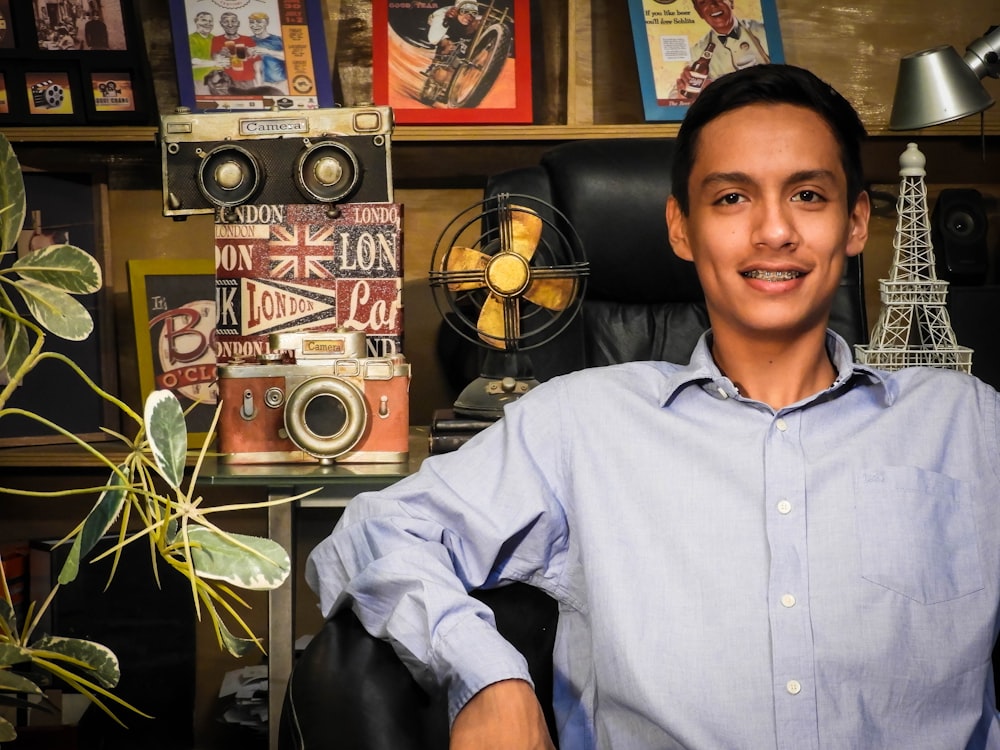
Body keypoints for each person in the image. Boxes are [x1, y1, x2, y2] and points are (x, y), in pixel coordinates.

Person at [305, 64, 1000, 749]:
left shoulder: (965, 423)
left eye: (808, 195)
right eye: (731, 199)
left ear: (854, 223)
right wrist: (487, 679)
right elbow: (375, 533)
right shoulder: (581, 424)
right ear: (681, 228)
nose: (774, 232)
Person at [672, 0, 770, 99]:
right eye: (703, 2)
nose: (713, 4)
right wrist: (684, 91)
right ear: (699, 12)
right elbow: (673, 97)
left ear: (731, 2)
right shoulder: (697, 52)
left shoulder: (764, 31)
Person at [210, 11, 255, 85]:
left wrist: (250, 53)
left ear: (238, 23)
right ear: (221, 23)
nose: (230, 25)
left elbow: (255, 59)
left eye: (233, 21)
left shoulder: (247, 39)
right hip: (226, 81)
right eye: (225, 22)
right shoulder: (216, 39)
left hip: (247, 80)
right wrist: (220, 54)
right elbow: (214, 58)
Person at [246, 12, 286, 89]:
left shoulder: (279, 40)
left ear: (266, 23)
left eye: (259, 22)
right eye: (252, 22)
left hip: (281, 83)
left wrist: (267, 51)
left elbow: (289, 57)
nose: (255, 25)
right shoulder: (247, 41)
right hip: (259, 85)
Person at [187, 11, 217, 91]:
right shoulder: (191, 39)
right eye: (204, 20)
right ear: (196, 21)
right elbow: (194, 61)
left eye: (210, 21)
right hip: (200, 79)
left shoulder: (214, 38)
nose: (208, 23)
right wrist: (215, 62)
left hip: (217, 79)